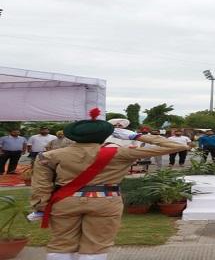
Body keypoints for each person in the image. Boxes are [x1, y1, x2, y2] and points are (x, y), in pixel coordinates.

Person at [29, 108, 189, 260]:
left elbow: (41, 184)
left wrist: (40, 205)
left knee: (61, 244)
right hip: (105, 200)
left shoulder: (49, 155)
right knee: (96, 245)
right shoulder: (121, 152)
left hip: (65, 201)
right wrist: (136, 136)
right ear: (107, 134)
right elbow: (179, 146)